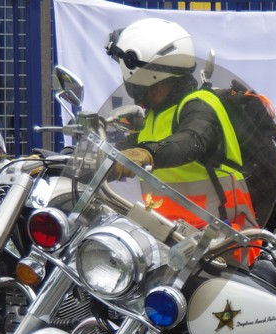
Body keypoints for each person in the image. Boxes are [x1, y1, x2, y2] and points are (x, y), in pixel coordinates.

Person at [104, 18, 256, 233]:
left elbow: (191, 140)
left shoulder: (200, 104)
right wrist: (81, 159)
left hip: (225, 237)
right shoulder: (154, 117)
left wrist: (146, 154)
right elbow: (119, 151)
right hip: (168, 238)